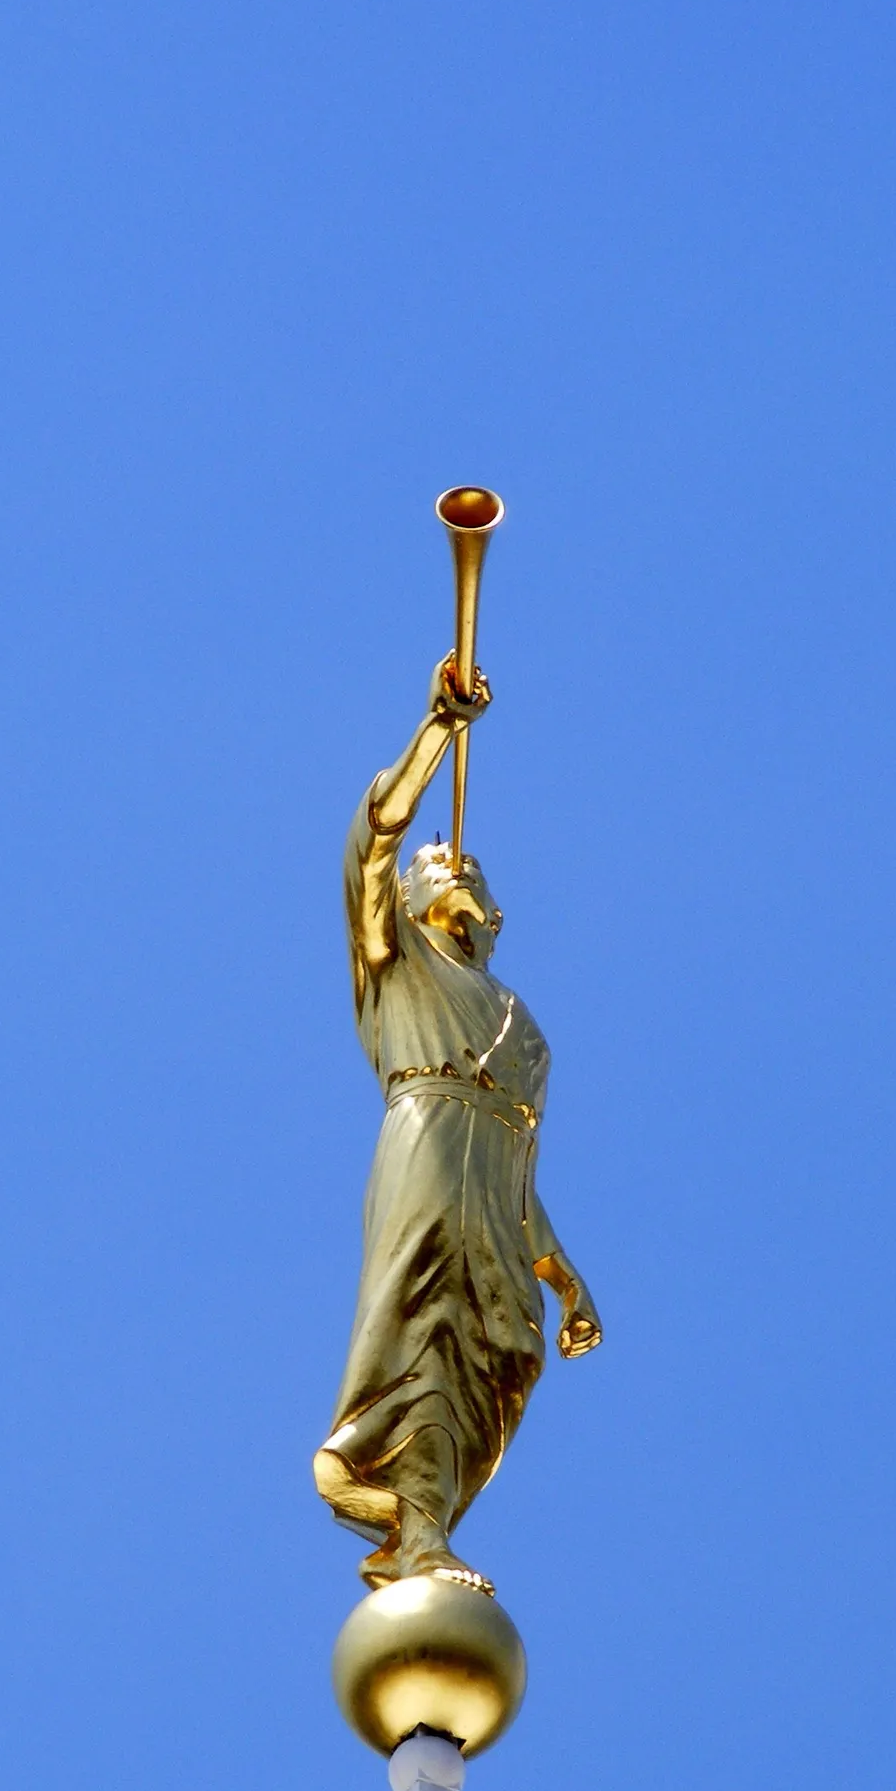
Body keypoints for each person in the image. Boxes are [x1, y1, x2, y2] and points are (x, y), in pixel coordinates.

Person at [313, 657, 602, 1593]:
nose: (454, 858)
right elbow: (372, 844)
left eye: (467, 862)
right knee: (428, 1326)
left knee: (499, 1348)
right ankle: (421, 1528)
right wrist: (437, 727)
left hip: (494, 1182)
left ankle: (422, 1521)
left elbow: (523, 1167)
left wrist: (561, 1275)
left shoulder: (528, 1031)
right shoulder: (394, 966)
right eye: (439, 862)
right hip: (428, 1140)